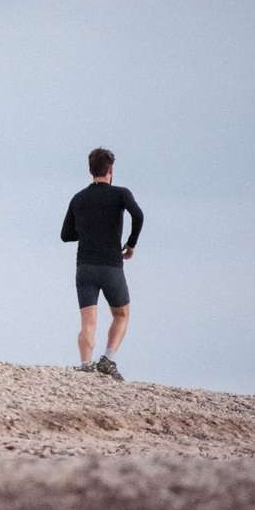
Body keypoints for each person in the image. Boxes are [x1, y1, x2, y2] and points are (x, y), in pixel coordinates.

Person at [60, 147, 144, 381]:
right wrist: (131, 243)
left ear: (90, 170)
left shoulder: (79, 198)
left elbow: (66, 235)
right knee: (121, 314)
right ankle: (108, 358)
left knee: (88, 321)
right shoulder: (121, 194)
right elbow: (138, 216)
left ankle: (86, 364)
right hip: (111, 266)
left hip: (85, 266)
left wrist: (89, 230)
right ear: (111, 170)